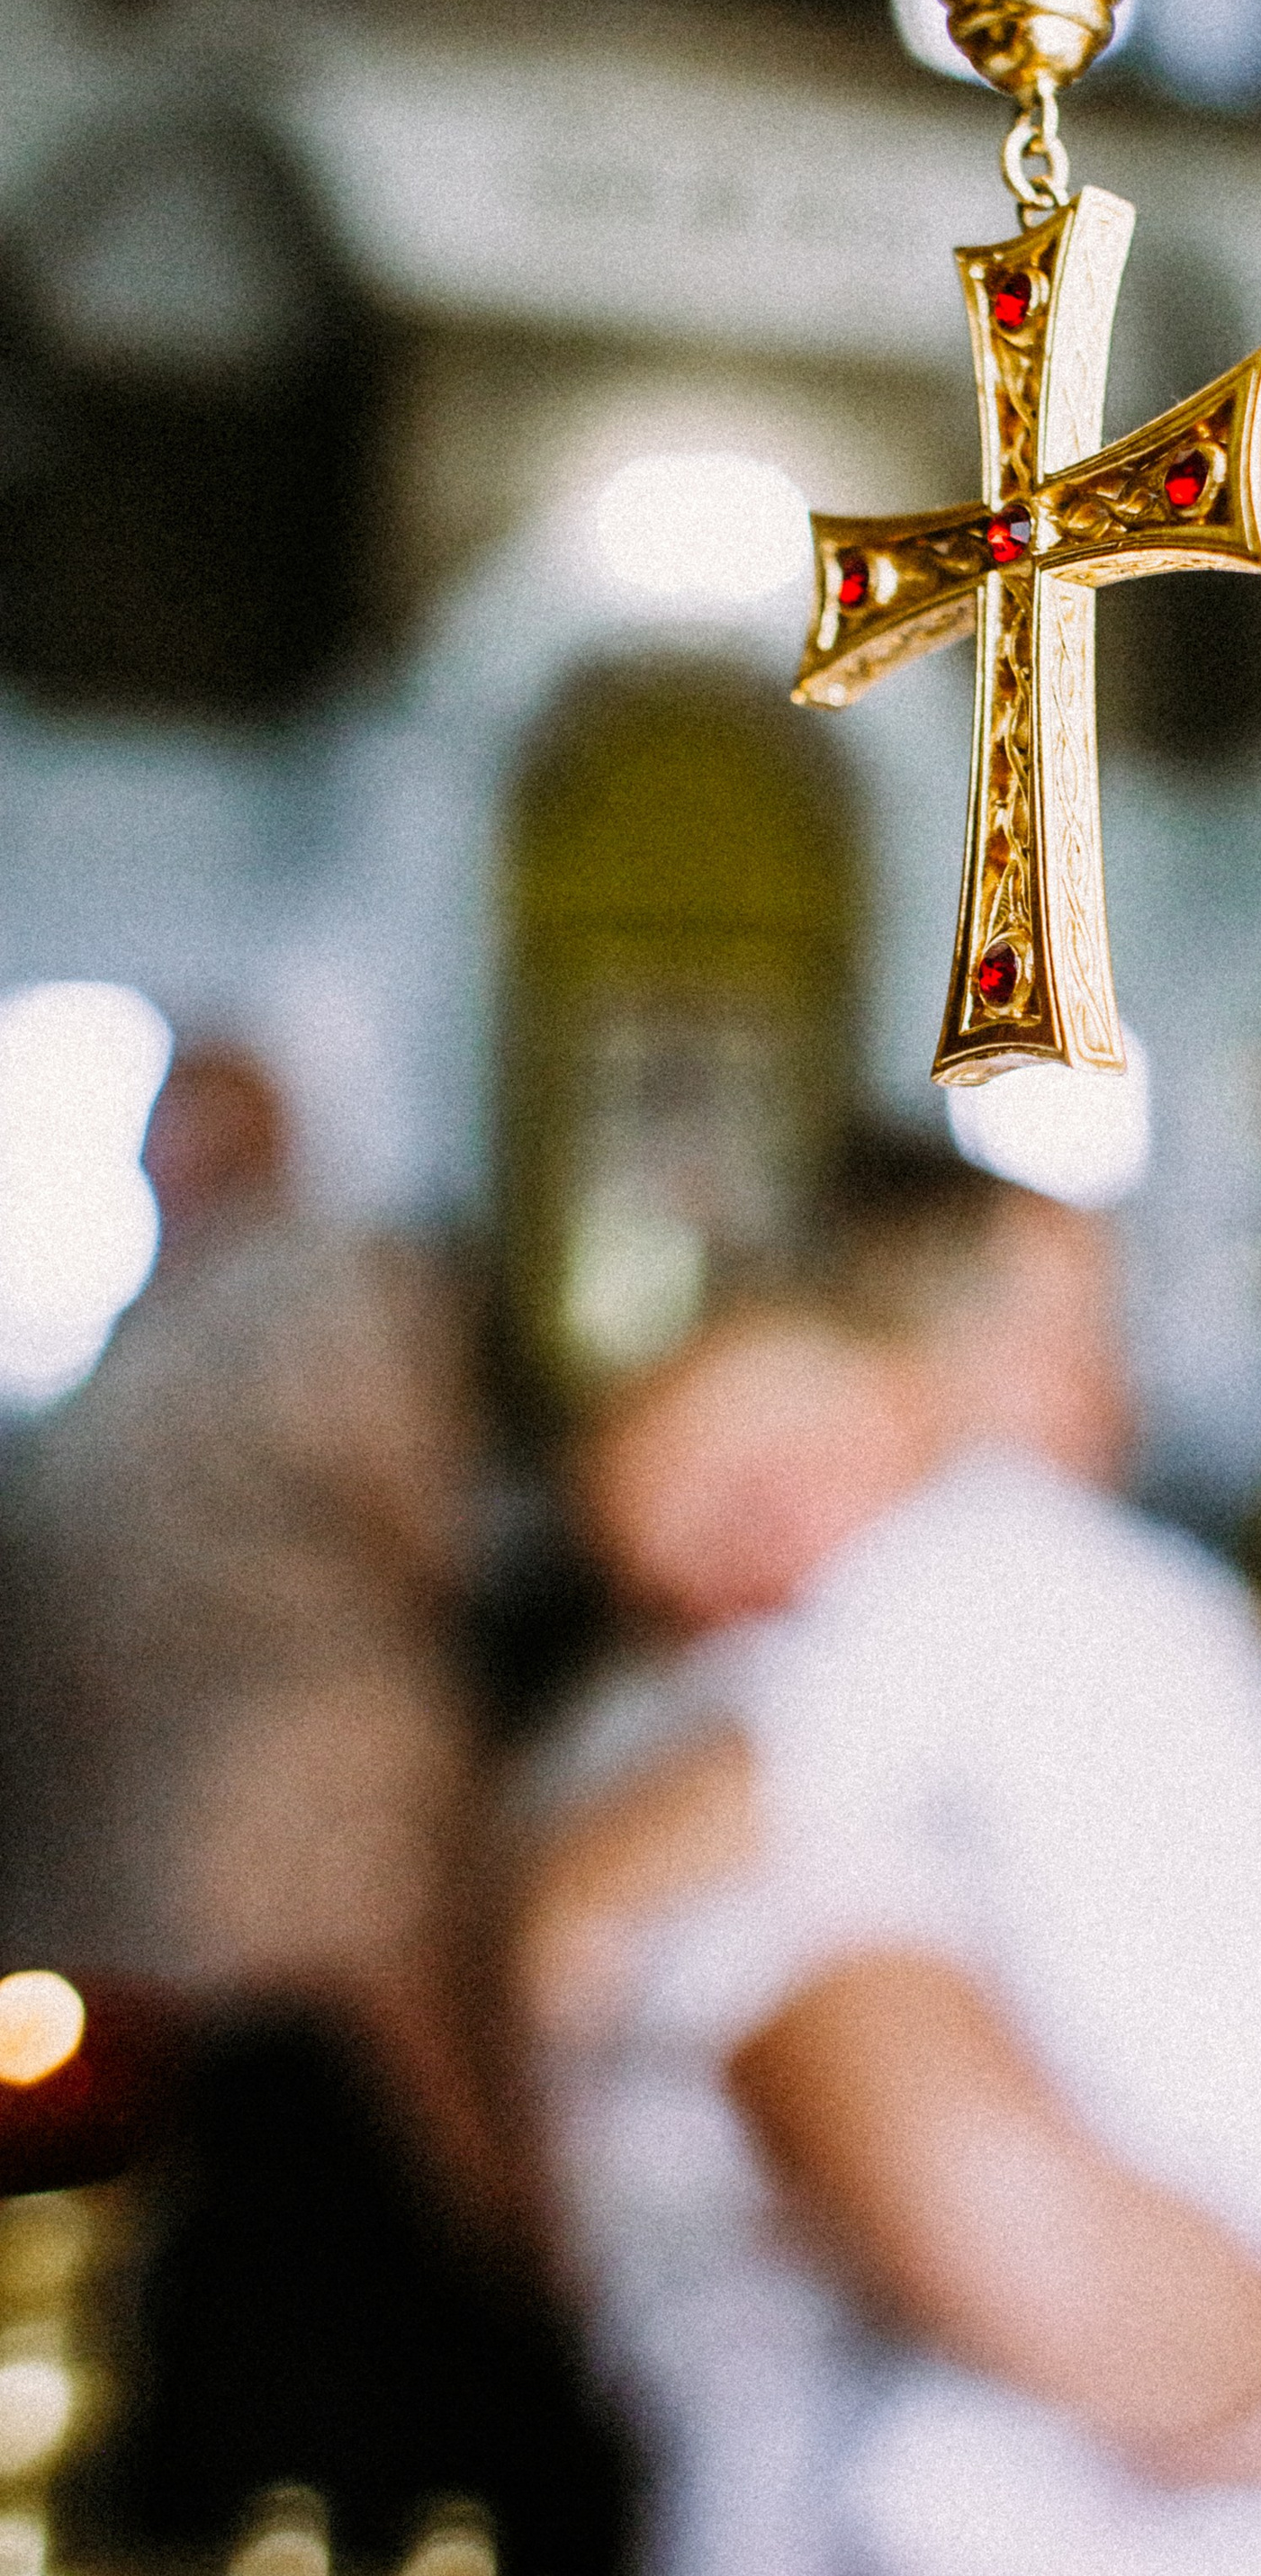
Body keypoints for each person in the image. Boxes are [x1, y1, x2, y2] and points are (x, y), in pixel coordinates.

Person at [520, 1132, 1261, 2576]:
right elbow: (1047, 2263)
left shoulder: (1063, 1641)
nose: (1108, 1400)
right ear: (872, 1361)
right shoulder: (759, 1713)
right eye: (1044, 1342)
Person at [0, 1039, 629, 2569]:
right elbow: (436, 1539)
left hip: (254, 1854)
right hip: (291, 1854)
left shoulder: (249, 1314)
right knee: (345, 2222)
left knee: (345, 2211)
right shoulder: (216, 1323)